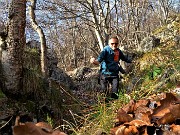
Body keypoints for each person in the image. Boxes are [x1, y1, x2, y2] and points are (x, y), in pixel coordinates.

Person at [90, 36, 132, 100]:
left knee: (115, 91)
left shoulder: (118, 51)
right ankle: (105, 104)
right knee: (104, 91)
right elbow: (99, 61)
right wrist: (93, 61)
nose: (114, 45)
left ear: (118, 43)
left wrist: (132, 61)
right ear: (109, 44)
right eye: (112, 43)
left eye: (116, 43)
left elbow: (124, 58)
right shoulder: (105, 50)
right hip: (105, 74)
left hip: (114, 74)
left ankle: (114, 104)